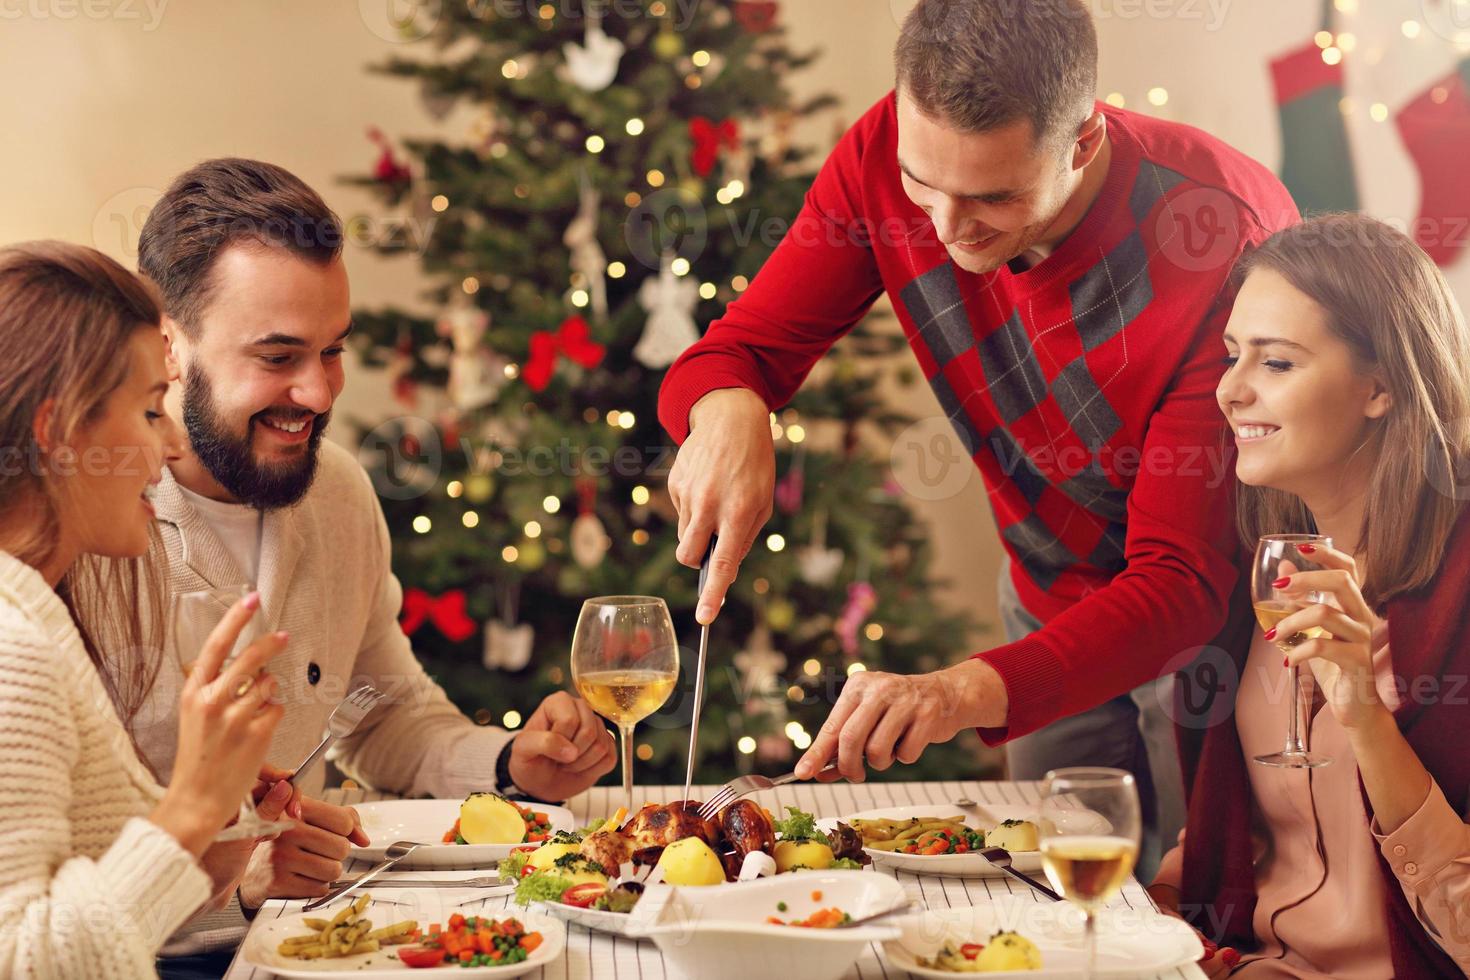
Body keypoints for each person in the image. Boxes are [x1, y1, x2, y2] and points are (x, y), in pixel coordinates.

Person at [656, 0, 1297, 874]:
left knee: (1206, 917)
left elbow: (1181, 581)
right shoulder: (887, 153)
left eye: (993, 196)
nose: (946, 227)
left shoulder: (1221, 242)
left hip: (1211, 628)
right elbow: (741, 349)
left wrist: (962, 691)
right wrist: (730, 405)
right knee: (1051, 898)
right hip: (1042, 592)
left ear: (1082, 140)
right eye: (925, 185)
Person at [126, 158, 618, 961]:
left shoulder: (338, 492)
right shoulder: (91, 523)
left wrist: (511, 764)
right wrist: (238, 884)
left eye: (333, 350)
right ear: (169, 346)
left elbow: (383, 712)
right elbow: (43, 889)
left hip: (311, 947)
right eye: (279, 357)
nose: (320, 394)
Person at [1153, 214, 1470, 978]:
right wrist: (1134, 922)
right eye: (1234, 356)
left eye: (1278, 363)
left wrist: (1364, 713)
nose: (1230, 390)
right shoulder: (1260, 581)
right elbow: (1227, 845)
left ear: (1382, 386)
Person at [0, 241, 299, 977]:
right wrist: (189, 808)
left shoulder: (35, 608)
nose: (170, 445)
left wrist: (215, 833)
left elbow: (86, 898)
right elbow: (24, 959)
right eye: (148, 411)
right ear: (57, 433)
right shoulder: (13, 649)